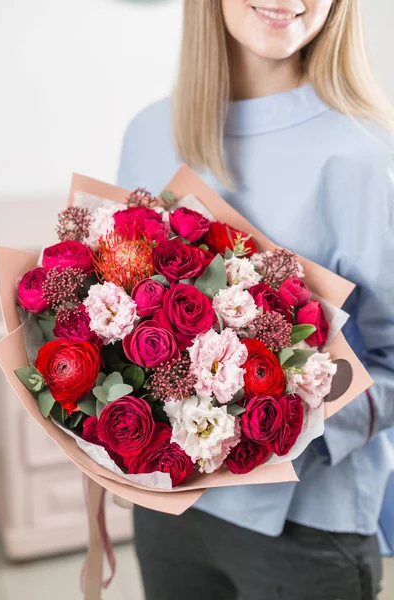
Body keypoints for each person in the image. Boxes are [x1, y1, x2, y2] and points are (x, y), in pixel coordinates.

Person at [118, 1, 394, 598]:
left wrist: (285, 430)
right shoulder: (147, 133)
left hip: (304, 530)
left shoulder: (372, 154)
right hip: (168, 511)